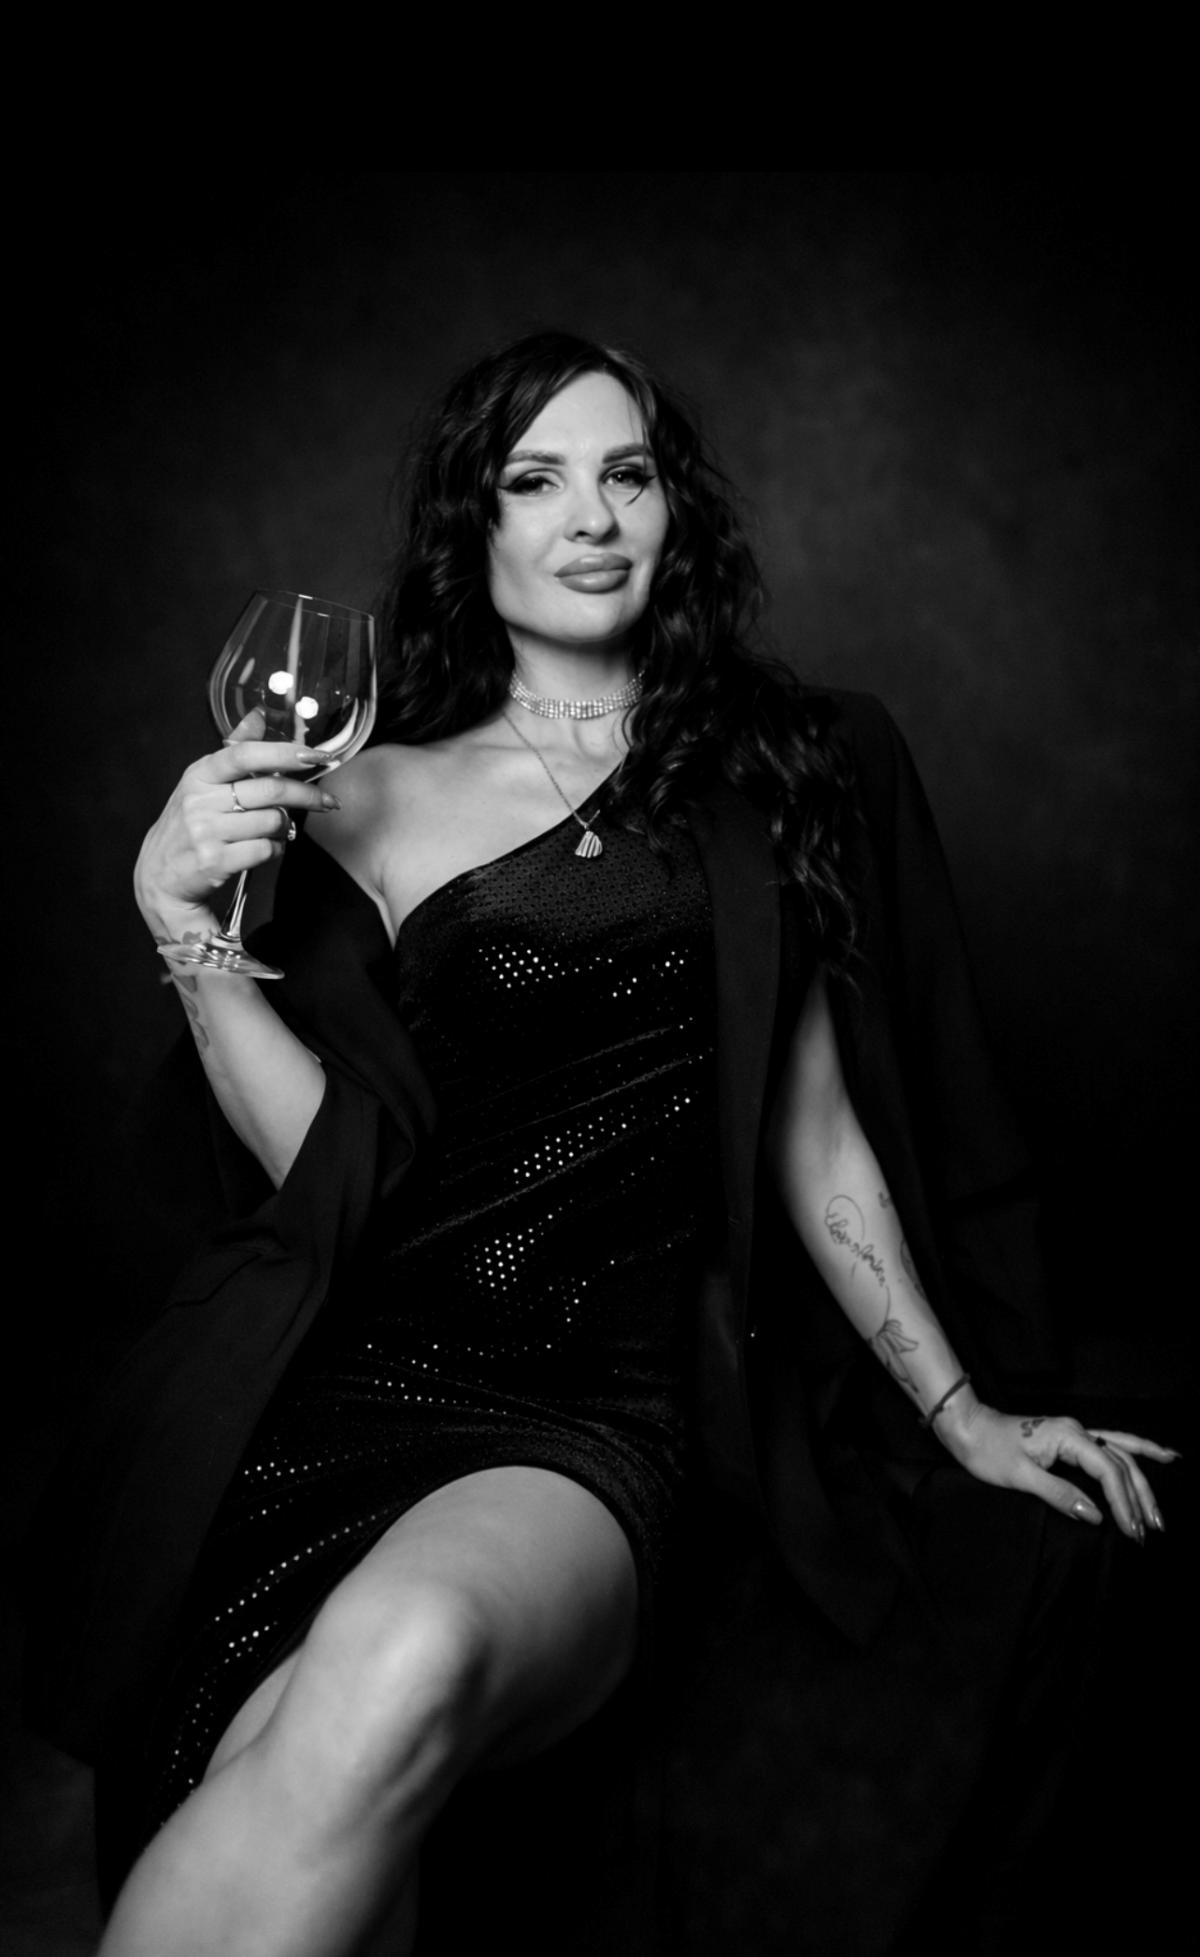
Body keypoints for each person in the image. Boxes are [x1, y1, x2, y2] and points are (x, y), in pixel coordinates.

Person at [26, 332, 1172, 1956]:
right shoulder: (360, 792)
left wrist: (962, 1407)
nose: (590, 518)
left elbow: (815, 1136)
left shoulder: (773, 771)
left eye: (626, 474)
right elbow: (324, 1170)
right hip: (346, 1385)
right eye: (536, 480)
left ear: (670, 508)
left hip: (578, 1413)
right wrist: (181, 923)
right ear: (474, 523)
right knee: (287, 1777)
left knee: (402, 1655)